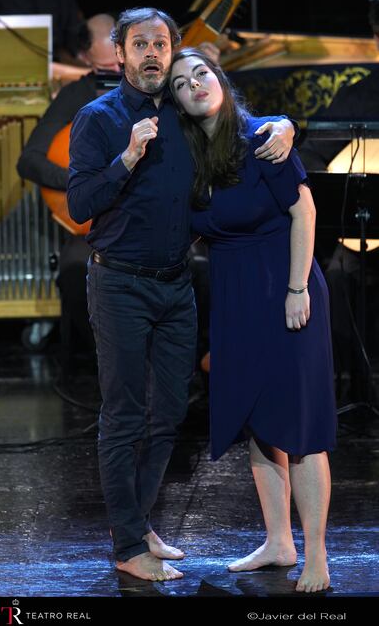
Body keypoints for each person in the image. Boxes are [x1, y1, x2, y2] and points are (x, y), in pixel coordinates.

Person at [67, 7, 296, 582]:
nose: (151, 53)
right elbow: (78, 206)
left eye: (161, 44)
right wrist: (127, 158)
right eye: (139, 44)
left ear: (171, 52)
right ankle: (127, 545)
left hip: (175, 284)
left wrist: (287, 123)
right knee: (124, 416)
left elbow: (237, 121)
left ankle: (140, 523)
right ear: (119, 54)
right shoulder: (98, 119)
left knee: (168, 414)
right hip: (118, 281)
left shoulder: (181, 113)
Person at [169, 47, 337, 592]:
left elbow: (303, 209)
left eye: (201, 73)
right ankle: (278, 541)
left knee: (303, 426)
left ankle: (315, 555)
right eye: (180, 84)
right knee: (260, 421)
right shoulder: (188, 155)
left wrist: (295, 288)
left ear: (218, 78)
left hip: (285, 284)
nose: (195, 84)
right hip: (237, 296)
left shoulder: (264, 136)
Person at [17, 14, 121, 370]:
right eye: (105, 65)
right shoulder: (75, 95)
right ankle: (108, 364)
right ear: (85, 57)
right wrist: (81, 181)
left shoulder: (150, 88)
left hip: (145, 221)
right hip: (93, 225)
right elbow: (28, 161)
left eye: (120, 62)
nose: (116, 72)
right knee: (75, 271)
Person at [298, 1, 379, 379]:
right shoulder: (357, 96)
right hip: (366, 233)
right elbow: (312, 157)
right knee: (335, 275)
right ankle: (350, 382)